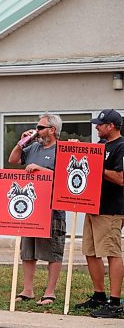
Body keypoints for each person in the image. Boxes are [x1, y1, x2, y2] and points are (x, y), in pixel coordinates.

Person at [8, 113, 66, 306]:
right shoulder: (33, 147)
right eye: (37, 127)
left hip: (52, 208)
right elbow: (13, 160)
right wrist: (22, 142)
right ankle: (28, 290)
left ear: (52, 130)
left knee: (53, 251)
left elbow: (64, 178)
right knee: (28, 252)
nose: (37, 130)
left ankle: (50, 292)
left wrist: (41, 170)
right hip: (31, 208)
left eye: (40, 127)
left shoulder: (61, 150)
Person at [75, 109, 123, 318]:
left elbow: (121, 178)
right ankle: (99, 295)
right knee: (91, 251)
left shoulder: (121, 147)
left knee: (112, 253)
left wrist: (96, 167)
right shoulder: (100, 146)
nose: (96, 127)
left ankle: (115, 302)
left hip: (111, 209)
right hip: (93, 206)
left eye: (99, 124)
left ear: (111, 126)